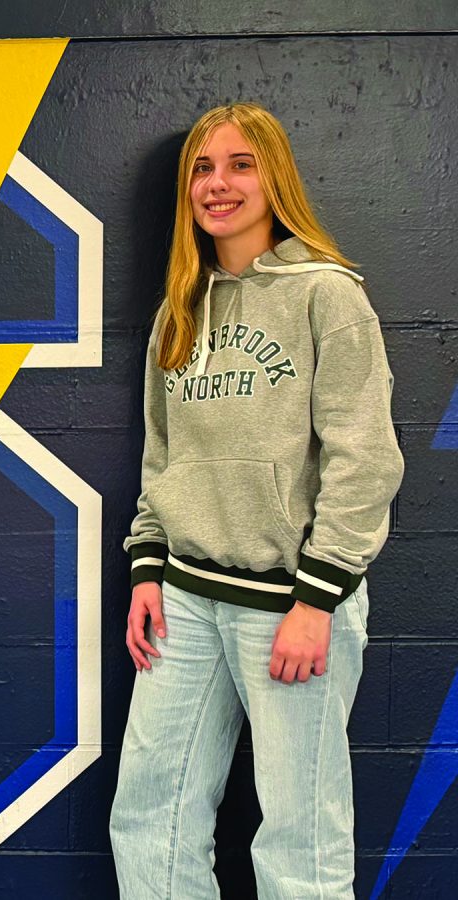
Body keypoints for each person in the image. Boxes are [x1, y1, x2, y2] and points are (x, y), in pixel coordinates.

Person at [109, 103, 403, 898]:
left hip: (292, 607)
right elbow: (162, 460)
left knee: (298, 839)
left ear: (275, 176)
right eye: (203, 168)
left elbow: (365, 460)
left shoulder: (326, 296)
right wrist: (147, 570)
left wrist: (316, 599)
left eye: (241, 163)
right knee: (149, 819)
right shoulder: (180, 309)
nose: (219, 184)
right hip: (186, 602)